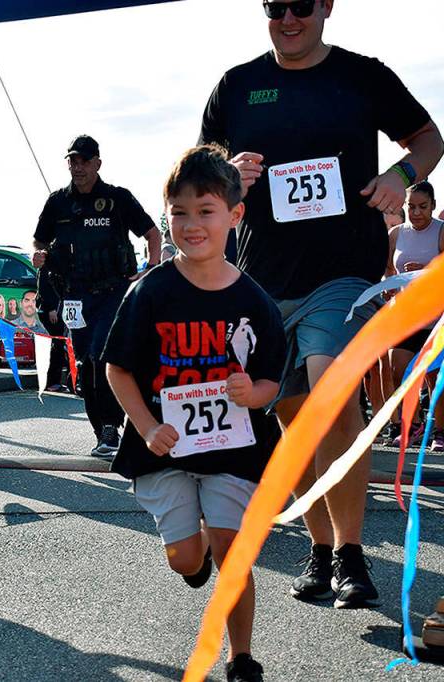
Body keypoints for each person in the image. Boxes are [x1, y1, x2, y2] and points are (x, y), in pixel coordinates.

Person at [199, 0, 444, 608]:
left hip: (343, 273)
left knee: (329, 395)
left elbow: (429, 138)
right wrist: (227, 173)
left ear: (327, 6)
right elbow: (200, 172)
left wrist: (403, 173)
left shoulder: (363, 75)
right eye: (274, 6)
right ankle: (321, 548)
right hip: (263, 281)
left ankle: (353, 555)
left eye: (301, 6)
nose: (288, 18)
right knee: (292, 417)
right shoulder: (238, 85)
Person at [104, 145, 285, 682]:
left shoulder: (256, 301)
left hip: (235, 449)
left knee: (235, 553)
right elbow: (118, 369)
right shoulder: (150, 291)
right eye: (178, 212)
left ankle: (242, 657)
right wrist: (147, 426)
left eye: (205, 211)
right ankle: (195, 551)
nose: (190, 224)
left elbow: (273, 378)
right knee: (186, 560)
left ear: (235, 215)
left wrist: (254, 395)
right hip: (166, 449)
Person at [33, 134, 161, 458]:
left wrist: (153, 267)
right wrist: (41, 256)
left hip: (114, 291)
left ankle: (111, 427)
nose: (77, 167)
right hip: (75, 295)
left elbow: (152, 233)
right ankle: (101, 430)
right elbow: (39, 243)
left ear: (97, 163)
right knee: (85, 362)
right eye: (72, 161)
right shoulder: (58, 202)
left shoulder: (117, 198)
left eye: (84, 160)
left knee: (103, 354)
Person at [386, 182, 444, 450]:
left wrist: (429, 270)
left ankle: (441, 430)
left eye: (423, 207)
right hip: (406, 315)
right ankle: (413, 425)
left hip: (437, 315)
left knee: (434, 376)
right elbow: (389, 271)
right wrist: (390, 286)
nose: (416, 213)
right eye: (411, 207)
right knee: (398, 372)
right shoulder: (396, 233)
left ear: (433, 205)